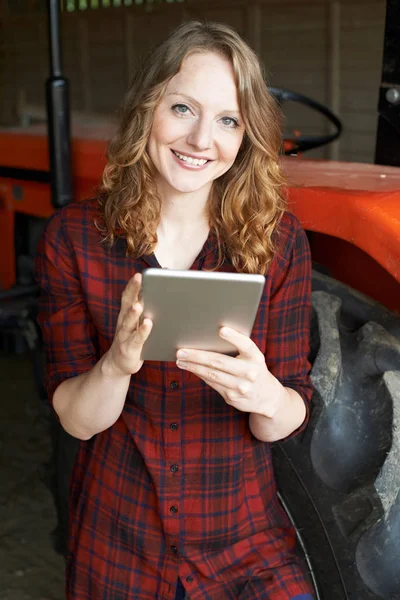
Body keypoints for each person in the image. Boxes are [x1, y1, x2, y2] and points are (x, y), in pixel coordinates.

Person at [35, 20, 315, 600]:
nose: (200, 140)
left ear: (246, 136)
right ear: (148, 109)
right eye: (183, 109)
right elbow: (77, 420)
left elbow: (285, 416)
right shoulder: (75, 239)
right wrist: (115, 364)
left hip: (243, 546)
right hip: (119, 542)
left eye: (228, 120)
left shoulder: (279, 242)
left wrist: (263, 393)